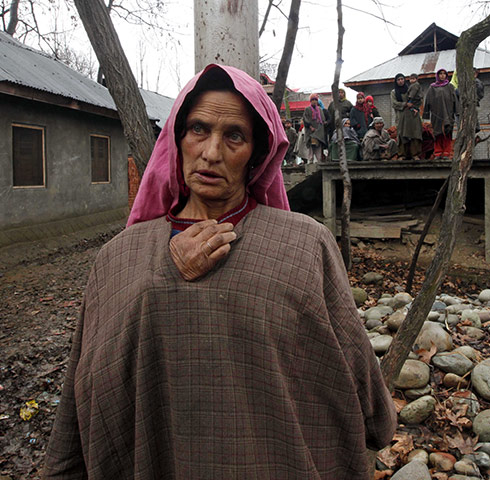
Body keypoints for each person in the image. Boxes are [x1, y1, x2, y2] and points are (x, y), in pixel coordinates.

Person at [43, 64, 397, 479]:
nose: (211, 152)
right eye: (198, 129)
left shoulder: (303, 246)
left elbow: (354, 373)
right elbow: (82, 391)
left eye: (234, 136)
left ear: (256, 155)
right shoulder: (117, 259)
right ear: (177, 140)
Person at [424, 68, 458, 159]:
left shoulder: (450, 87)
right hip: (436, 114)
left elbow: (455, 100)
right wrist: (426, 114)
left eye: (444, 74)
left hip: (448, 114)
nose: (442, 75)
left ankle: (447, 152)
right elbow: (427, 100)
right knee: (438, 134)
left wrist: (457, 112)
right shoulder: (432, 87)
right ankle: (438, 153)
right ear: (437, 75)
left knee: (447, 133)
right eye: (440, 74)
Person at [390, 73, 423, 160]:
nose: (400, 81)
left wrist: (415, 107)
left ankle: (414, 154)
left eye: (402, 79)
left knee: (414, 133)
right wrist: (405, 104)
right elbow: (394, 104)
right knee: (401, 135)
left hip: (412, 115)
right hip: (401, 115)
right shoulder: (394, 92)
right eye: (398, 80)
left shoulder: (411, 89)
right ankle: (402, 155)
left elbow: (418, 99)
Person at [302, 93, 329, 163]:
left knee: (318, 147)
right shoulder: (307, 109)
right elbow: (305, 119)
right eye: (312, 100)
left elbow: (322, 120)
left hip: (319, 131)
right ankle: (310, 161)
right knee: (311, 148)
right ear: (310, 101)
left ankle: (319, 161)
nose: (314, 101)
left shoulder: (320, 109)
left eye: (315, 100)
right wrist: (310, 126)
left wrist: (324, 123)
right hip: (310, 131)